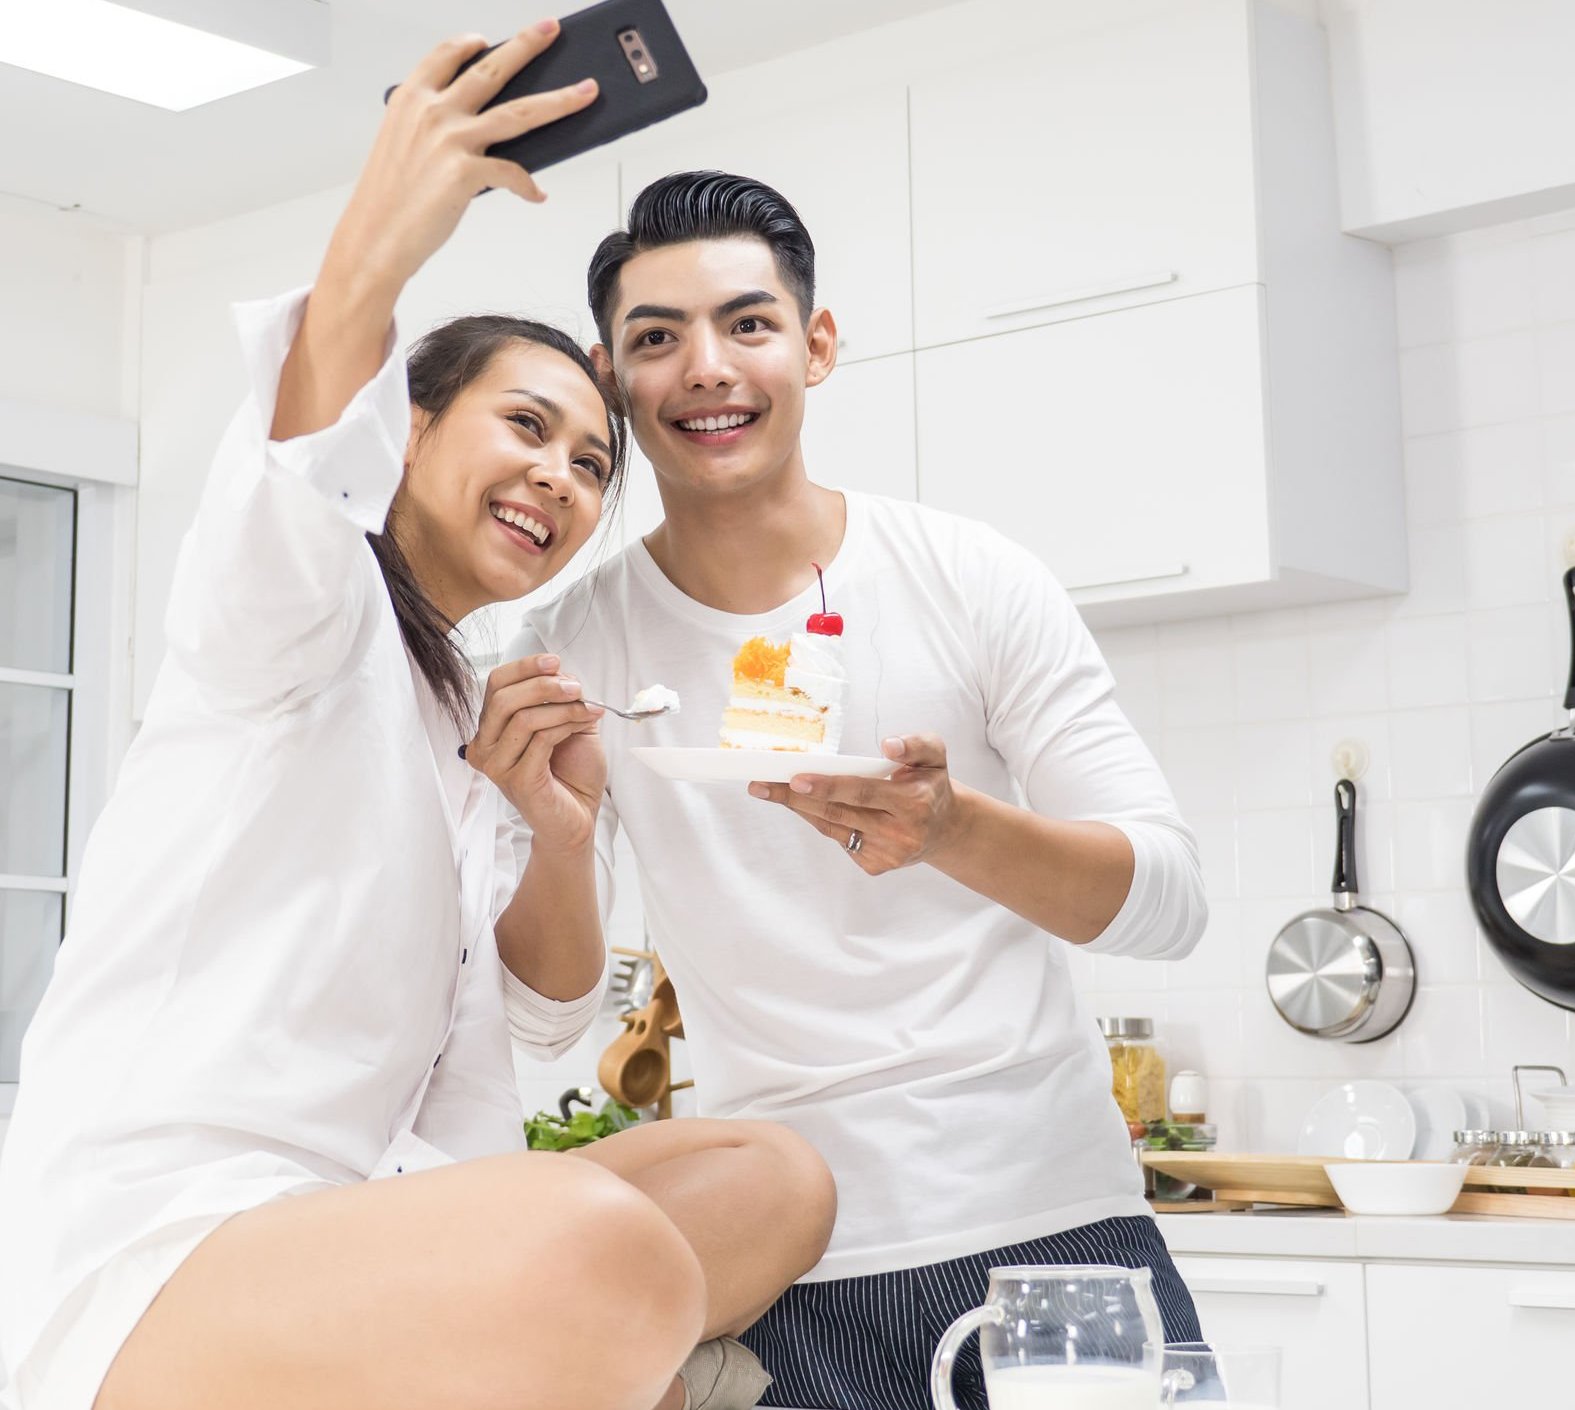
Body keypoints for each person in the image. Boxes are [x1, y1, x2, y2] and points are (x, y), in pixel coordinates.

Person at [0, 34, 833, 1410]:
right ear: (414, 426)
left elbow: (551, 1011)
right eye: (526, 425)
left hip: (391, 1219)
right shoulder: (295, 615)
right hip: (172, 1248)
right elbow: (313, 414)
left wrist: (555, 830)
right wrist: (394, 213)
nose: (557, 476)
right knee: (597, 1245)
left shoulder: (474, 699)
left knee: (770, 1177)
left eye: (589, 462)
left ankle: (600, 1359)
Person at [502, 170, 1211, 1409]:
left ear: (815, 346)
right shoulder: (573, 648)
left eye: (748, 324)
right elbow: (545, 1018)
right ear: (615, 383)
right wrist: (556, 841)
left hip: (1048, 1233)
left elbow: (1167, 903)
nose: (706, 368)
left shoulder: (970, 577)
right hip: (784, 1264)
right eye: (656, 340)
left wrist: (954, 828)